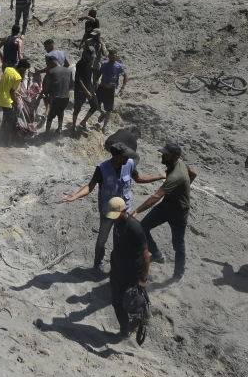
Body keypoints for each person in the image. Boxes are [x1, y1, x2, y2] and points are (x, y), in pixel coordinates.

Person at [59, 143, 152, 275]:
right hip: (108, 211)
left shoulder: (129, 164)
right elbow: (90, 186)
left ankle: (120, 265)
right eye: (125, 156)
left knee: (124, 239)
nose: (128, 158)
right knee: (102, 239)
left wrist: (159, 176)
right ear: (117, 156)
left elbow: (139, 178)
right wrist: (76, 195)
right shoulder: (102, 168)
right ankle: (97, 265)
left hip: (124, 211)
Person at [132, 143, 198, 281]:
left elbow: (156, 196)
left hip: (179, 213)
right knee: (143, 228)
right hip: (166, 206)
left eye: (166, 154)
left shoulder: (175, 176)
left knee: (178, 244)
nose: (162, 155)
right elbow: (193, 173)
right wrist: (183, 188)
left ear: (175, 156)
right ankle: (156, 254)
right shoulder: (180, 163)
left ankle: (178, 273)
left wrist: (137, 210)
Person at [105, 196, 149, 337]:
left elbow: (145, 255)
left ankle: (141, 317)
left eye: (116, 216)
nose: (113, 219)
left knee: (131, 301)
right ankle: (125, 328)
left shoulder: (134, 227)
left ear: (124, 211)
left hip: (131, 274)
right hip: (117, 270)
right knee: (116, 301)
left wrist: (143, 278)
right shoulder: (117, 222)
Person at [0, 59, 30, 147]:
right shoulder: (17, 77)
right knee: (11, 121)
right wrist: (15, 102)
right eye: (25, 69)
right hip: (6, 100)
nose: (25, 71)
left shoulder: (7, 69)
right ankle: (9, 141)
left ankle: (1, 133)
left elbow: (7, 84)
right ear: (22, 68)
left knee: (6, 116)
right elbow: (12, 92)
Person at [95, 50, 127, 132]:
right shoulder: (104, 64)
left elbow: (125, 76)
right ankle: (102, 113)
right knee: (95, 104)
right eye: (111, 57)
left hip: (110, 90)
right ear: (108, 57)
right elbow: (99, 72)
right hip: (101, 87)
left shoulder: (119, 66)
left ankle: (104, 127)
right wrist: (95, 81)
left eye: (114, 57)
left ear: (116, 56)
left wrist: (122, 87)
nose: (113, 59)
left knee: (109, 109)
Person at [42, 55, 71, 140]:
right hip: (66, 97)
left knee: (51, 115)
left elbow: (47, 87)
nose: (47, 65)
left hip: (56, 97)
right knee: (61, 112)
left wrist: (42, 93)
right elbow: (70, 85)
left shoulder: (51, 71)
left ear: (52, 62)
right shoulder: (68, 70)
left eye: (48, 63)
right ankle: (60, 129)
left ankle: (47, 134)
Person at [71, 46, 98, 132]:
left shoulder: (90, 63)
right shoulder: (80, 64)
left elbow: (89, 77)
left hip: (89, 86)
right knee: (77, 108)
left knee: (95, 105)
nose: (92, 58)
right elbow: (79, 79)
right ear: (86, 54)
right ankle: (73, 125)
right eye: (91, 56)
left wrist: (91, 88)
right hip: (80, 89)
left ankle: (83, 122)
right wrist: (86, 91)